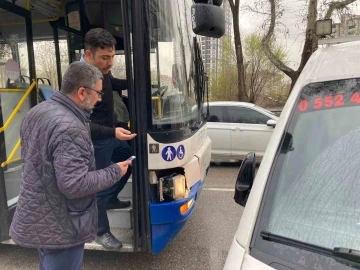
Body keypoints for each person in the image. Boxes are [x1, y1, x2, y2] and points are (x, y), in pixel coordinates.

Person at [9, 61, 132, 270]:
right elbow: (74, 185)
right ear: (82, 92)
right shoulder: (70, 127)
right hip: (63, 224)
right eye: (98, 94)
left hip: (43, 217)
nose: (100, 99)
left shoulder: (37, 112)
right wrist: (115, 171)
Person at [81, 28, 136, 250]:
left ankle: (112, 198)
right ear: (88, 55)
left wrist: (138, 81)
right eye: (105, 57)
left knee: (129, 162)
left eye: (112, 56)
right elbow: (81, 125)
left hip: (111, 135)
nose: (110, 62)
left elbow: (114, 83)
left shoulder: (102, 73)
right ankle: (100, 231)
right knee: (99, 188)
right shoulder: (81, 82)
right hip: (97, 140)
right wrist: (111, 133)